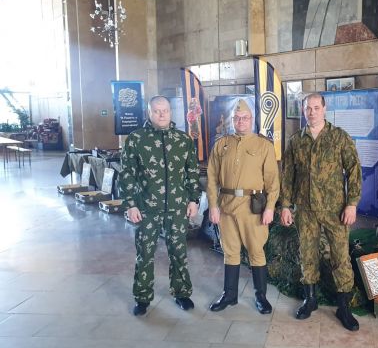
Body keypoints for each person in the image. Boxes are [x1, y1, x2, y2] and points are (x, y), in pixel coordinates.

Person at [280, 93, 362, 331]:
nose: (312, 112)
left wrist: (352, 203)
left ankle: (344, 307)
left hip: (335, 209)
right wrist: (285, 205)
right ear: (303, 111)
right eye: (308, 108)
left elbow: (354, 170)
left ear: (325, 109)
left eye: (316, 108)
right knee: (307, 253)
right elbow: (287, 176)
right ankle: (310, 299)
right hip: (305, 209)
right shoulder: (296, 140)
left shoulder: (339, 138)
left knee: (340, 256)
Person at [119, 96, 201, 316]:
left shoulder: (183, 140)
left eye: (165, 110)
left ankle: (182, 293)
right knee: (144, 254)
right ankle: (142, 297)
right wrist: (130, 204)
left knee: (179, 253)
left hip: (177, 208)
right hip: (147, 208)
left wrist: (194, 199)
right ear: (149, 113)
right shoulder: (136, 139)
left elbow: (192, 172)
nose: (162, 114)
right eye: (157, 111)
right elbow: (127, 173)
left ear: (170, 112)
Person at [206, 99, 279, 314]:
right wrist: (213, 205)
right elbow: (211, 178)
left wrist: (270, 207)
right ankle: (229, 295)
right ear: (232, 120)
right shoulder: (222, 144)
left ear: (252, 120)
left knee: (256, 251)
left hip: (252, 207)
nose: (241, 121)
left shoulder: (263, 145)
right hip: (226, 206)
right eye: (237, 118)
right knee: (230, 252)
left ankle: (261, 297)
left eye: (245, 118)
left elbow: (273, 180)